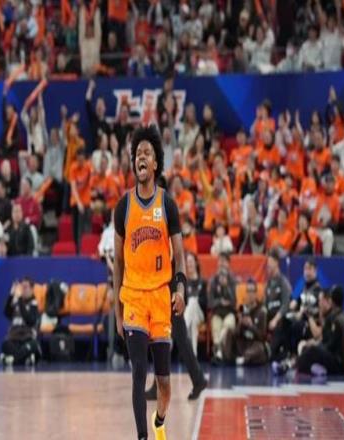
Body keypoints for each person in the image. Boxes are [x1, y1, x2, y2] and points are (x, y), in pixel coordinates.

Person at [114, 126, 186, 440]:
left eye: (147, 152)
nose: (141, 157)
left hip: (160, 297)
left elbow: (179, 256)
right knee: (138, 373)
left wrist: (180, 289)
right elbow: (118, 263)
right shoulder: (123, 207)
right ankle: (143, 437)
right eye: (137, 153)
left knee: (164, 383)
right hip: (133, 297)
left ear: (155, 164)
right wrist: (117, 312)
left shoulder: (167, 205)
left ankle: (159, 420)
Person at [296, 286, 344, 376]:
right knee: (311, 349)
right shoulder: (342, 316)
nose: (319, 303)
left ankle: (295, 365)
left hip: (341, 365)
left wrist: (316, 345)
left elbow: (330, 346)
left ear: (331, 301)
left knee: (311, 351)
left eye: (321, 300)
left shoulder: (334, 320)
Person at [222, 278, 268, 366]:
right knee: (229, 331)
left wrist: (251, 326)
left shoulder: (262, 311)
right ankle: (227, 359)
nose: (250, 294)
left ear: (255, 293)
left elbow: (262, 336)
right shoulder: (242, 308)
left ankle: (243, 359)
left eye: (252, 291)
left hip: (254, 343)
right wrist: (240, 323)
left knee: (260, 349)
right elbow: (236, 333)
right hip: (242, 343)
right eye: (248, 291)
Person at [0, 278, 40, 366]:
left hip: (27, 340)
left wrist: (20, 299)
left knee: (34, 345)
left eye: (26, 287)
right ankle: (24, 359)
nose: (23, 290)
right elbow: (7, 313)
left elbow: (30, 320)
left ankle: (11, 360)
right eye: (22, 287)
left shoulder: (34, 304)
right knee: (5, 345)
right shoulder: (16, 302)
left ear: (31, 289)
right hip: (14, 339)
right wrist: (11, 295)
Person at [265, 248, 292, 364]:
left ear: (276, 263)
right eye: (267, 263)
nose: (268, 265)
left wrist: (275, 320)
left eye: (270, 262)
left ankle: (273, 351)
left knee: (279, 323)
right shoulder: (269, 283)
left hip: (279, 318)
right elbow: (265, 304)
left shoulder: (283, 282)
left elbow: (286, 305)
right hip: (269, 315)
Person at [208, 259, 236, 362]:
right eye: (220, 265)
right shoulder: (213, 281)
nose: (222, 268)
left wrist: (226, 287)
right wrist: (220, 301)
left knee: (227, 326)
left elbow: (234, 302)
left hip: (229, 313)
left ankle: (217, 349)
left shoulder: (232, 281)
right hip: (217, 313)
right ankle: (219, 353)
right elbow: (210, 303)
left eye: (224, 265)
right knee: (216, 326)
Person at [183, 252, 207, 355]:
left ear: (196, 263)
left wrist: (197, 300)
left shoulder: (203, 282)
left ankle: (183, 328)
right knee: (193, 322)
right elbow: (184, 303)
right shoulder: (184, 283)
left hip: (200, 313)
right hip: (190, 314)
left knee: (193, 301)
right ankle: (193, 354)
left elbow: (206, 303)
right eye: (187, 262)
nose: (189, 264)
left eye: (191, 262)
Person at [69, 148, 92, 254]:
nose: (81, 162)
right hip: (76, 202)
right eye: (79, 160)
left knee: (87, 228)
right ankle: (78, 251)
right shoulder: (73, 168)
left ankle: (87, 250)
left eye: (82, 160)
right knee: (77, 230)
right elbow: (73, 187)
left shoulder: (88, 166)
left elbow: (92, 181)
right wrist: (79, 203)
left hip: (86, 201)